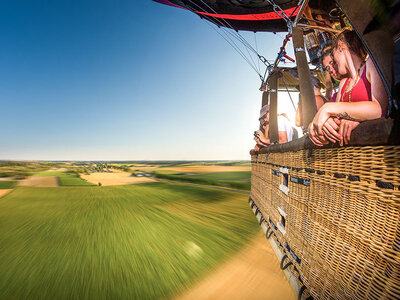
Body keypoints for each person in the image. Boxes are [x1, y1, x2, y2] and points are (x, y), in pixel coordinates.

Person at [309, 29, 389, 147]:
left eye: (333, 55)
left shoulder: (370, 65)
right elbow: (336, 116)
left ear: (341, 46)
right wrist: (322, 123)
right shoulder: (343, 83)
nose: (334, 62)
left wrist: (328, 108)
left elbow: (380, 109)